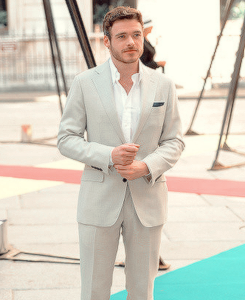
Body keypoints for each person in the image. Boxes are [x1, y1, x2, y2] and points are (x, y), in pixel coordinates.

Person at [57, 6, 184, 300]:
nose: (131, 42)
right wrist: (108, 155)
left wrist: (147, 166)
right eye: (122, 36)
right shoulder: (85, 83)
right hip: (99, 201)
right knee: (94, 290)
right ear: (106, 41)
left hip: (148, 200)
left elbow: (174, 141)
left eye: (136, 35)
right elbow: (66, 138)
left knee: (142, 290)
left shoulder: (164, 85)